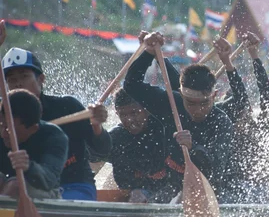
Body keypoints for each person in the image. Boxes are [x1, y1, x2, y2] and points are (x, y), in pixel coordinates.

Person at [123, 32, 233, 199]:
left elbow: (216, 170)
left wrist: (193, 147)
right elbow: (131, 85)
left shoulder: (221, 121)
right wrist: (148, 53)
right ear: (181, 95)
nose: (197, 109)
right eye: (190, 102)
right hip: (171, 186)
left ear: (214, 96)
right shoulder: (172, 104)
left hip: (211, 191)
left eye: (204, 103)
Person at [1, 41, 111, 201]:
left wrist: (96, 126)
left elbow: (102, 151)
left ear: (41, 79)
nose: (18, 83)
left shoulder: (68, 106)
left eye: (24, 76)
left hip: (74, 185)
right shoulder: (3, 118)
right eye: (12, 80)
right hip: (25, 187)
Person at [94, 88, 175, 203]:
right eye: (123, 115)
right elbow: (93, 159)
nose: (129, 120)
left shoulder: (165, 131)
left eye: (134, 113)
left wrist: (144, 193)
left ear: (146, 110)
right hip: (129, 189)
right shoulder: (116, 137)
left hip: (166, 190)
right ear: (117, 114)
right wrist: (93, 130)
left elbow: (177, 180)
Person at [0, 89, 68, 199]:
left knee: (15, 186)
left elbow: (49, 180)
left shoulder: (55, 137)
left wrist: (29, 167)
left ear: (32, 129)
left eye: (10, 130)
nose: (3, 134)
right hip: (5, 186)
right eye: (1, 125)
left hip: (44, 193)